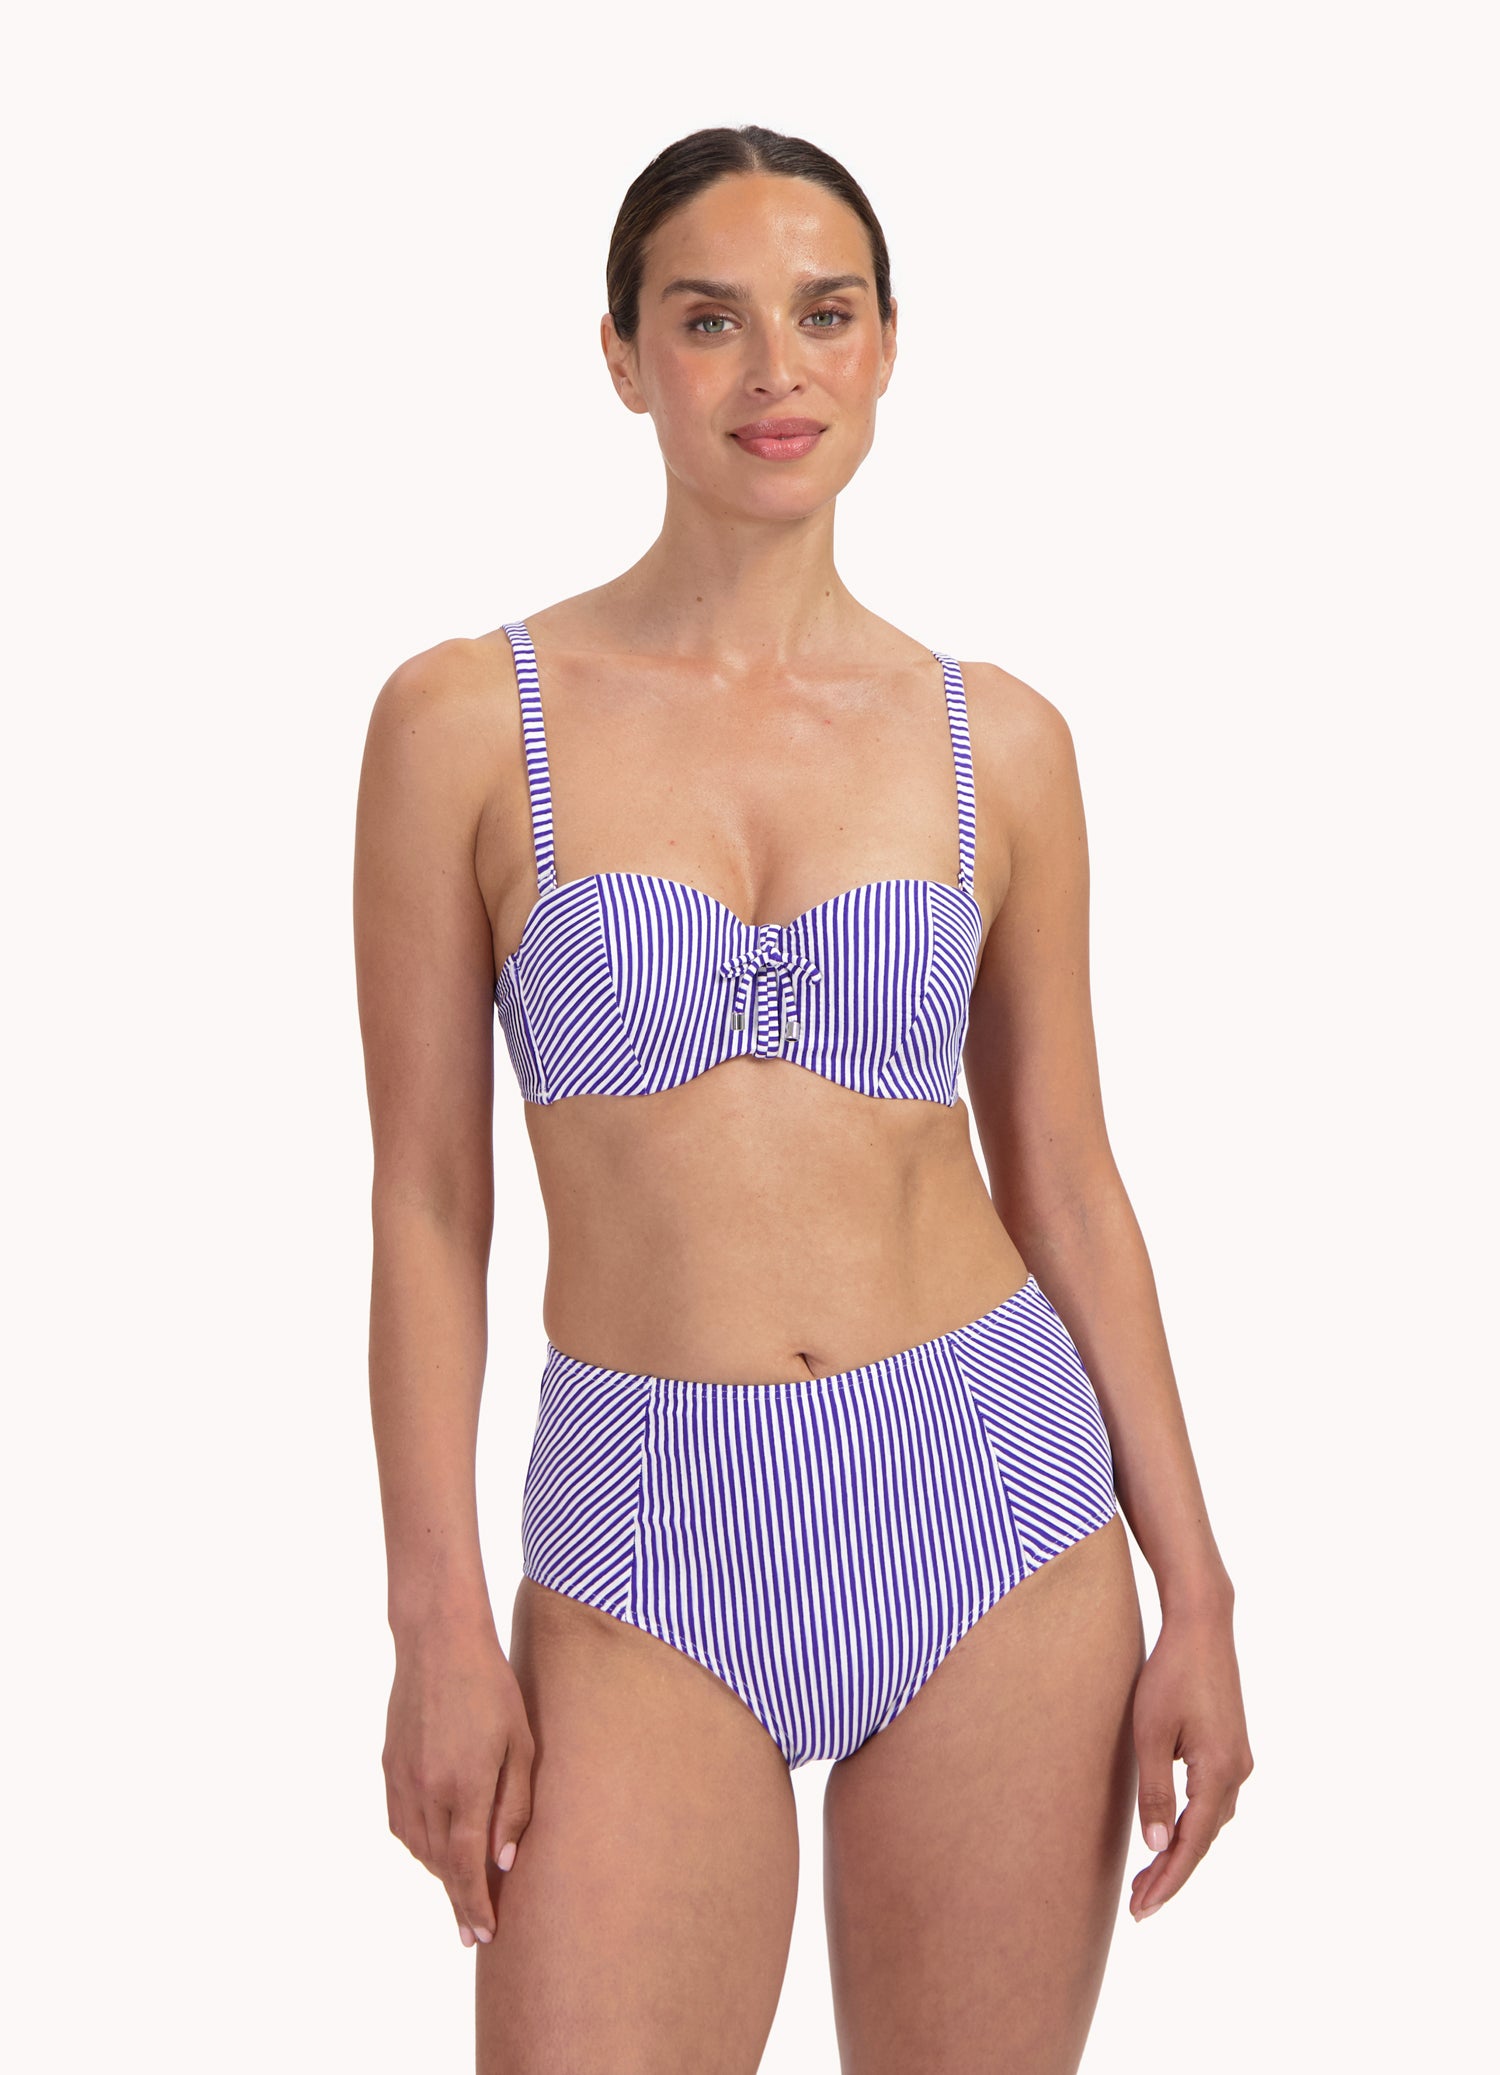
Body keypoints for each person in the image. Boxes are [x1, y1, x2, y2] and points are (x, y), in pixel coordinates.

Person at [353, 122, 1253, 2074]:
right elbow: (426, 1201)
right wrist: (435, 1624)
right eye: (710, 321)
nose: (778, 371)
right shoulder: (463, 723)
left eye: (825, 315)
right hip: (640, 1530)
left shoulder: (1000, 742)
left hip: (992, 1499)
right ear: (621, 355)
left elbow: (1068, 1178)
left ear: (888, 346)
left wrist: (1199, 1587)